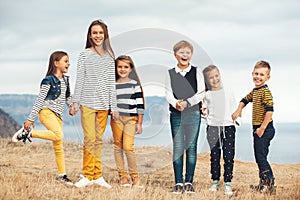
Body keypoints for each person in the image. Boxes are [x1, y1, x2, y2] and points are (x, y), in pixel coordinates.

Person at [12, 51, 73, 185]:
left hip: (58, 115)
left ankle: (62, 175)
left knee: (58, 145)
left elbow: (67, 97)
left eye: (68, 61)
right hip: (46, 112)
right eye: (66, 61)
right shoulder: (48, 81)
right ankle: (29, 133)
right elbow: (40, 100)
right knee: (58, 135)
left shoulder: (66, 80)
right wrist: (30, 119)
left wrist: (72, 106)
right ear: (56, 63)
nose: (69, 63)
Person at [69, 19, 118, 188]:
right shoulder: (84, 55)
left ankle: (97, 175)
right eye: (94, 33)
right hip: (88, 103)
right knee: (89, 138)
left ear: (105, 35)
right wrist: (75, 102)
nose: (98, 36)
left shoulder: (110, 57)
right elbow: (80, 78)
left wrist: (114, 106)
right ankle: (87, 175)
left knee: (98, 140)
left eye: (100, 33)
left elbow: (112, 84)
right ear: (90, 36)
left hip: (104, 105)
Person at [165, 40, 205, 194]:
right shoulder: (170, 73)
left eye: (188, 52)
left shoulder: (197, 72)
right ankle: (178, 182)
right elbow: (168, 93)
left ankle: (189, 182)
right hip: (176, 114)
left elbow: (201, 92)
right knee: (178, 147)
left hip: (193, 113)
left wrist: (188, 103)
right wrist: (176, 103)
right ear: (175, 55)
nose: (185, 55)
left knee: (192, 147)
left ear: (191, 55)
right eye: (181, 52)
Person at [232, 60, 276, 194]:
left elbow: (270, 111)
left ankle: (269, 185)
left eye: (262, 75)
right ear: (252, 74)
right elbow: (244, 100)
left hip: (265, 129)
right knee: (260, 156)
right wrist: (238, 111)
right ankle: (263, 183)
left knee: (261, 157)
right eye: (256, 73)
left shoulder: (265, 92)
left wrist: (262, 128)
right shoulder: (255, 91)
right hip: (258, 128)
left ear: (267, 77)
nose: (258, 77)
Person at [202, 65, 240, 196]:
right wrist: (205, 116)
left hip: (228, 127)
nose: (215, 79)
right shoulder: (206, 95)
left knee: (228, 157)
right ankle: (215, 181)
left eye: (216, 76)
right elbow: (204, 110)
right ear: (207, 81)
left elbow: (234, 106)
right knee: (214, 156)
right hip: (212, 127)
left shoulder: (228, 91)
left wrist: (237, 120)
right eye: (211, 78)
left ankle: (228, 183)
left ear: (220, 75)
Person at [110, 55, 145, 188]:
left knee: (128, 147)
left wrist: (139, 123)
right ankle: (122, 177)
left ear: (130, 69)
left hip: (131, 119)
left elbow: (140, 104)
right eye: (120, 67)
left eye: (126, 67)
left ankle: (135, 178)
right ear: (116, 68)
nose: (122, 69)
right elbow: (111, 102)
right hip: (117, 120)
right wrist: (112, 111)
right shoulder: (112, 85)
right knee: (118, 146)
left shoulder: (134, 84)